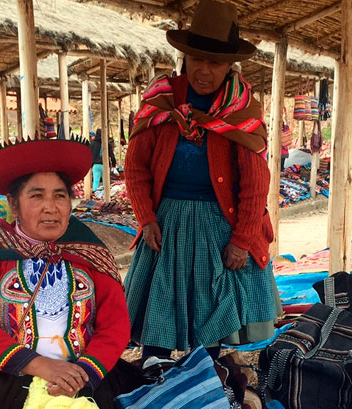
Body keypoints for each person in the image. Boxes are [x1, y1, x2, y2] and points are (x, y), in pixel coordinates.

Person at [124, 0, 281, 360]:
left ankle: (204, 380)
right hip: (165, 225)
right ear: (185, 58)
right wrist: (146, 218)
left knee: (208, 313)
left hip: (217, 225)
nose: (205, 71)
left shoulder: (240, 109)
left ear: (229, 66)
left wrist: (242, 240)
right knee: (158, 314)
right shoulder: (162, 101)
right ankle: (156, 376)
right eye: (198, 60)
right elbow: (136, 169)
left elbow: (255, 184)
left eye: (216, 62)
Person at [0, 139, 130, 407]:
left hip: (87, 376)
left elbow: (115, 324)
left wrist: (83, 374)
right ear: (13, 205)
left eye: (60, 195)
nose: (51, 207)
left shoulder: (90, 253)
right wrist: (41, 366)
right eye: (37, 196)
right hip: (9, 377)